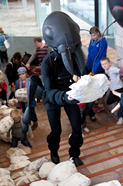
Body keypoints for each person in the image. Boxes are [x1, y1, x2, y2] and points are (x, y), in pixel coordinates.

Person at [22, 12, 85, 167]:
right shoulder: (47, 63)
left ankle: (74, 154)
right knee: (56, 131)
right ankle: (53, 150)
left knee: (77, 128)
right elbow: (49, 92)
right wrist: (64, 97)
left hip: (68, 92)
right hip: (53, 97)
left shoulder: (71, 54)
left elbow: (81, 71)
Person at [85, 26, 108, 113]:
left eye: (94, 35)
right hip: (91, 65)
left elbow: (100, 57)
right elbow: (90, 53)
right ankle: (97, 101)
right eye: (91, 35)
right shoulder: (92, 40)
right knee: (93, 86)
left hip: (98, 67)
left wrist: (94, 70)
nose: (93, 37)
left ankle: (101, 105)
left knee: (99, 86)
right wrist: (87, 65)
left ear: (98, 33)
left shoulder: (103, 42)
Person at [101, 57, 123, 125]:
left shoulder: (112, 68)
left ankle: (121, 118)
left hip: (119, 88)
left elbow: (120, 71)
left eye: (105, 64)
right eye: (102, 64)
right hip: (113, 89)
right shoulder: (106, 69)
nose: (104, 65)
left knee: (121, 104)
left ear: (109, 63)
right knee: (109, 101)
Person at [15, 67, 38, 131]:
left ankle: (35, 122)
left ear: (26, 74)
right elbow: (16, 90)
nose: (21, 76)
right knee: (25, 112)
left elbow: (34, 90)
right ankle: (28, 122)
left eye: (23, 74)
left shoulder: (30, 81)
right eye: (20, 75)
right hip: (23, 102)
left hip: (30, 101)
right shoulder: (18, 82)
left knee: (32, 112)